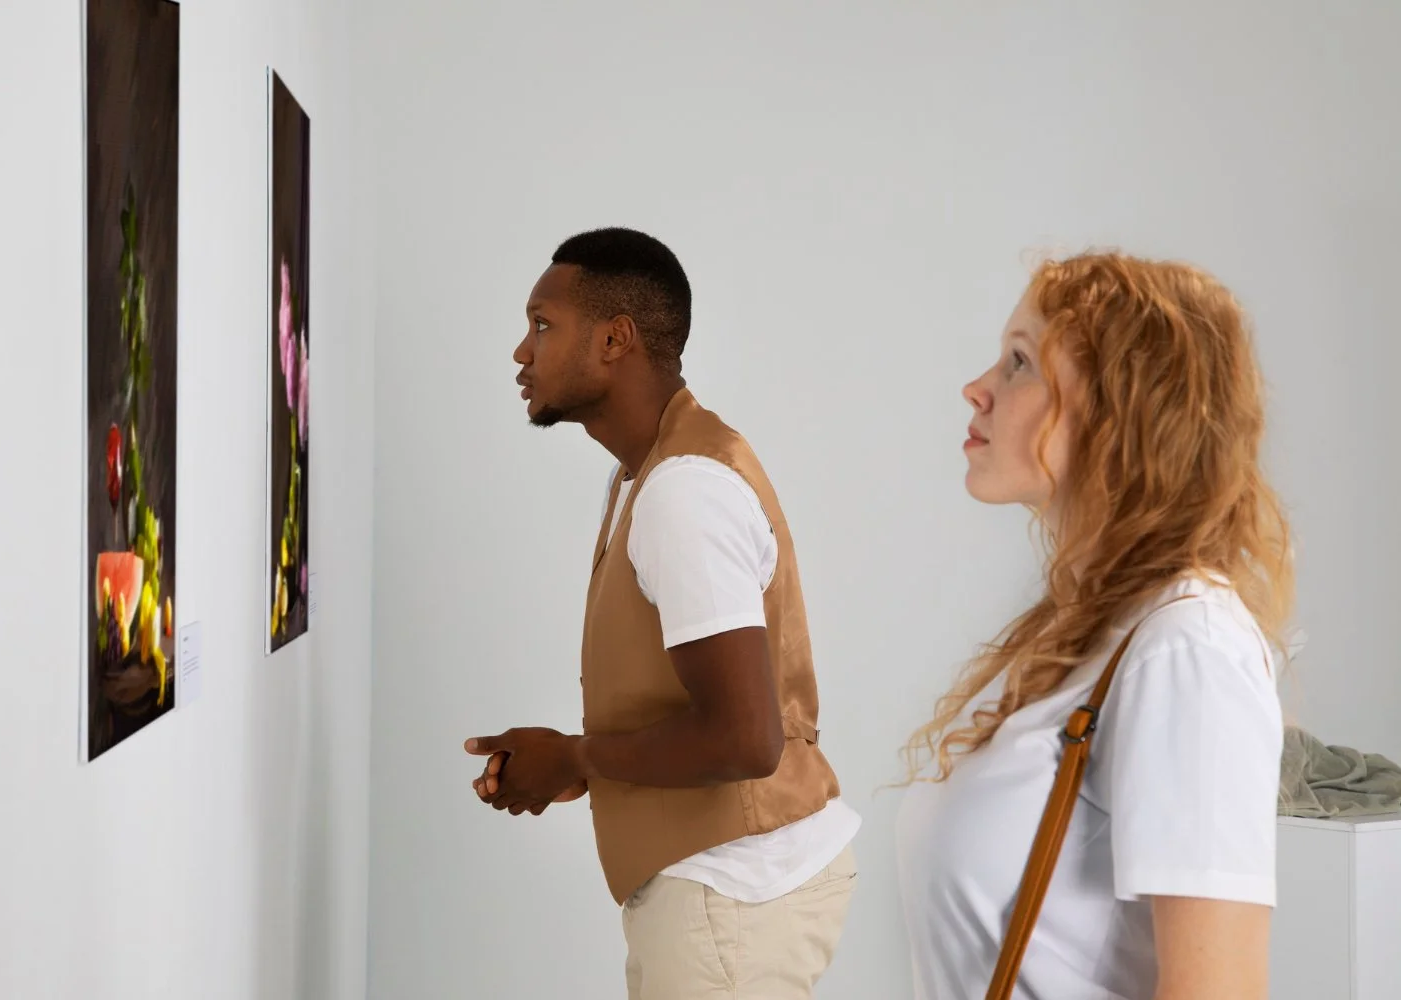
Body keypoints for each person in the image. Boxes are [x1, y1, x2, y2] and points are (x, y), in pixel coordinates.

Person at [465, 227, 861, 999]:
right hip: (719, 896)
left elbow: (746, 739)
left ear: (616, 340)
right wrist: (573, 768)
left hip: (733, 898)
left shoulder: (683, 489)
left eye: (543, 324)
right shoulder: (645, 475)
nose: (522, 351)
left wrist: (577, 759)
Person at [896, 252, 1294, 1000]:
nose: (976, 389)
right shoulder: (1098, 635)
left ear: (1120, 410)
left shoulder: (1188, 646)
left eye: (1019, 362)